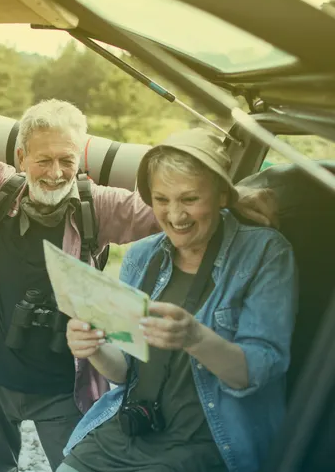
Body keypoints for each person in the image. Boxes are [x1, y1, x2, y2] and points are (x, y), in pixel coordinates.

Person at [0, 21, 278, 472]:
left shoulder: (97, 206)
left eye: (68, 160)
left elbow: (177, 210)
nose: (55, 172)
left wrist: (234, 200)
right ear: (20, 158)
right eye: (43, 160)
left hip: (66, 384)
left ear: (80, 158)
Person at [59, 129, 297, 472]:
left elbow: (260, 370)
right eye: (162, 200)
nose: (175, 215)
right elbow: (125, 372)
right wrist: (93, 347)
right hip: (130, 431)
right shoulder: (141, 256)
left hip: (208, 443)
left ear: (221, 195)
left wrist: (195, 338)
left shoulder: (265, 253)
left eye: (189, 199)